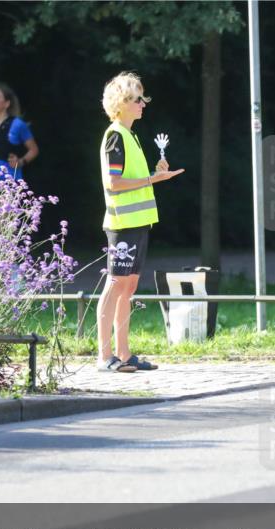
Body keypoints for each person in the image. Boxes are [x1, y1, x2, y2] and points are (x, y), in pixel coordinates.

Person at [96, 72, 184, 372]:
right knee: (115, 283)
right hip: (122, 224)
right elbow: (114, 183)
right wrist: (152, 178)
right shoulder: (115, 136)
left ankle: (123, 354)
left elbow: (131, 180)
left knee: (128, 286)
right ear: (121, 104)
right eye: (137, 99)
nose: (143, 104)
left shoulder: (129, 135)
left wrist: (153, 174)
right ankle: (104, 356)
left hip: (137, 223)